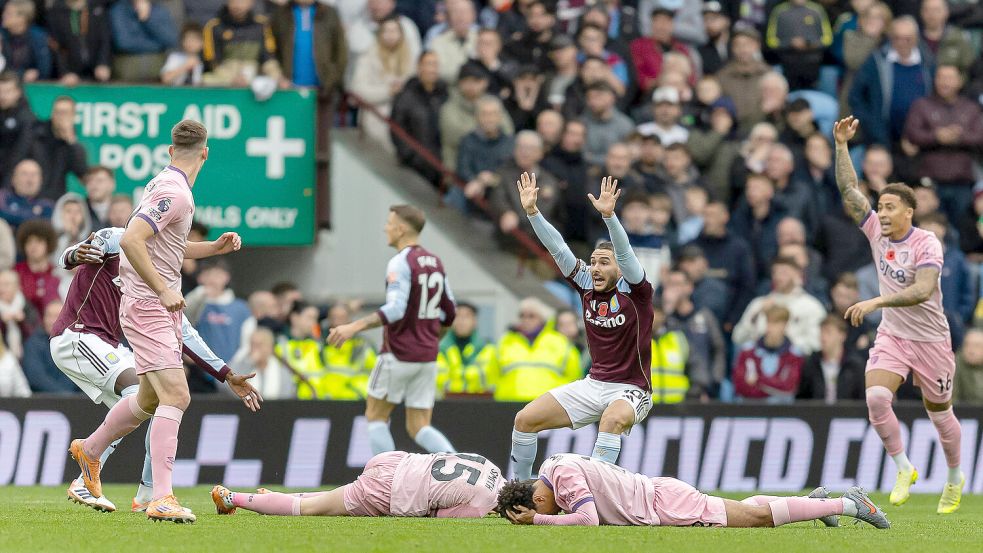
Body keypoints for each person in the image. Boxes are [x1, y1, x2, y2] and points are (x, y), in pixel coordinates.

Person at [68, 120, 244, 523]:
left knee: (149, 399)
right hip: (149, 305)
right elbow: (131, 239)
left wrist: (212, 249)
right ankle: (160, 496)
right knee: (177, 396)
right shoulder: (174, 192)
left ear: (170, 150)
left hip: (148, 305)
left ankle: (90, 450)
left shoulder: (165, 184)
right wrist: (164, 290)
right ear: (206, 152)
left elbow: (166, 245)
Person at [54, 225, 258, 512]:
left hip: (108, 345)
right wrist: (75, 253)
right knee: (142, 393)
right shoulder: (117, 237)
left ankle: (147, 494)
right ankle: (89, 473)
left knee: (153, 401)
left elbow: (185, 333)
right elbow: (68, 256)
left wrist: (226, 373)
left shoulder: (162, 278)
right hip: (77, 336)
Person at [833, 115, 964, 514]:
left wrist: (874, 302)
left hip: (931, 341)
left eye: (891, 207)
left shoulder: (928, 243)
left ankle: (955, 477)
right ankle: (904, 467)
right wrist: (841, 146)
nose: (882, 213)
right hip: (894, 336)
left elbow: (923, 291)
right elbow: (850, 190)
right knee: (875, 398)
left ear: (910, 211)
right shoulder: (876, 232)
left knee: (940, 415)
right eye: (882, 207)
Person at [510, 173, 654, 479]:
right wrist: (533, 213)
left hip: (632, 389)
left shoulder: (636, 291)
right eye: (593, 261)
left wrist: (610, 217)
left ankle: (598, 494)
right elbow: (558, 249)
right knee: (525, 420)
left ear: (620, 269)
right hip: (593, 385)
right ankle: (518, 491)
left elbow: (626, 253)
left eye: (604, 262)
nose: (596, 268)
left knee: (612, 421)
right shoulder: (586, 284)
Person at [328, 205, 457, 457]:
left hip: (398, 353)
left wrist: (354, 326)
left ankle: (387, 478)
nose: (385, 228)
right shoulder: (436, 262)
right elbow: (450, 311)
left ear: (400, 229)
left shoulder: (400, 261)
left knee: (375, 416)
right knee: (419, 426)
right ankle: (460, 468)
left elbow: (396, 309)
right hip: (427, 357)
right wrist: (431, 339)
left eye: (389, 223)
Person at [498, 453, 889, 529]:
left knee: (755, 519)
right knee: (744, 508)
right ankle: (814, 503)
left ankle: (849, 503)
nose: (552, 510)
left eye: (535, 509)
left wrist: (538, 521)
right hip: (660, 495)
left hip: (664, 504)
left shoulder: (561, 475)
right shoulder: (555, 467)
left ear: (534, 498)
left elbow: (588, 519)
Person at [212, 451, 503, 518]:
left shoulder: (491, 464)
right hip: (393, 488)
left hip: (395, 460)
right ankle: (233, 498)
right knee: (313, 509)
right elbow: (437, 515)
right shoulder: (482, 506)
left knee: (334, 497)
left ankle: (274, 496)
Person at [902, 65, 983, 225]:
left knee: (961, 227)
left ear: (960, 81)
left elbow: (979, 136)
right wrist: (936, 136)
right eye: (940, 77)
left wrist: (957, 136)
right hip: (929, 182)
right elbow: (912, 133)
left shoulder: (971, 108)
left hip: (962, 181)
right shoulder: (922, 105)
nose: (944, 82)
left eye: (950, 78)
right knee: (928, 227)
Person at [732, 256, 827, 354]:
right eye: (775, 272)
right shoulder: (759, 303)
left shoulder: (811, 306)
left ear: (798, 275)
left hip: (796, 362)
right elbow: (737, 338)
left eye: (784, 273)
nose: (778, 277)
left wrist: (785, 346)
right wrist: (755, 316)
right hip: (759, 361)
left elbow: (816, 343)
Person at [493, 297, 581, 402]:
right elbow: (492, 375)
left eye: (531, 316)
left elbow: (575, 380)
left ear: (542, 318)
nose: (526, 320)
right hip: (507, 406)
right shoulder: (505, 342)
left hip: (548, 409)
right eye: (522, 315)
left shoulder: (560, 342)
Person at [348, 15, 416, 147]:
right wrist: (388, 91)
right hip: (375, 117)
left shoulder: (411, 59)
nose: (390, 35)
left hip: (404, 119)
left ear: (401, 34)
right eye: (386, 30)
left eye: (394, 31)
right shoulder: (367, 57)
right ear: (380, 33)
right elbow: (357, 91)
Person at [390, 51, 448, 186]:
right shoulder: (406, 96)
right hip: (415, 165)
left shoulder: (445, 94)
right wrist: (411, 156)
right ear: (419, 67)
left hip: (440, 164)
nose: (432, 69)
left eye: (435, 65)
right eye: (428, 64)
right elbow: (397, 129)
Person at [270, 0, 348, 92]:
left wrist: (332, 78)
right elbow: (272, 49)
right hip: (288, 88)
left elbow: (340, 50)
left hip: (323, 89)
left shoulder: (329, 13)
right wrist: (278, 77)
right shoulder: (281, 14)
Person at [733, 304, 804, 403]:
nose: (770, 328)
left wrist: (758, 380)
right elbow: (740, 386)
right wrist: (772, 387)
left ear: (785, 325)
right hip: (750, 406)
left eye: (776, 323)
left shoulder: (795, 355)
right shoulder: (748, 351)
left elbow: (789, 387)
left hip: (781, 410)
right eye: (768, 322)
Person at [201, 0, 282, 86]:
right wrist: (232, 78)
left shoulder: (262, 25)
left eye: (242, 1)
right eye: (233, 1)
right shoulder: (214, 27)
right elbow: (213, 62)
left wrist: (277, 77)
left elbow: (268, 59)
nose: (237, 6)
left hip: (253, 81)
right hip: (225, 81)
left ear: (251, 2)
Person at [797, 315, 866, 403]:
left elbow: (861, 399)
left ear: (842, 336)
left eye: (828, 332)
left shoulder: (855, 365)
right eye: (821, 332)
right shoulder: (811, 362)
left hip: (846, 414)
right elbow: (802, 398)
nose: (823, 337)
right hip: (817, 414)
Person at [31, 96, 88, 201]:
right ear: (52, 113)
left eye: (65, 113)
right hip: (32, 197)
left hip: (55, 199)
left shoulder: (71, 144)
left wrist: (71, 141)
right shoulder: (36, 135)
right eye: (58, 112)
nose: (61, 117)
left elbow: (82, 174)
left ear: (73, 116)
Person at [108, 0, 178, 82]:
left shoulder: (160, 10)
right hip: (127, 75)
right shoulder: (118, 10)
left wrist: (148, 19)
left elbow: (170, 40)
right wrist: (158, 45)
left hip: (158, 76)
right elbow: (123, 43)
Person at [436, 301, 496, 396]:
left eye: (466, 316)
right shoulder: (439, 349)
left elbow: (486, 377)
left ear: (475, 321)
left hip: (480, 405)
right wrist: (470, 376)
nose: (461, 321)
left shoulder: (487, 348)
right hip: (447, 405)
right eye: (457, 316)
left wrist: (454, 374)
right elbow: (439, 380)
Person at [320, 302, 377, 400]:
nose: (337, 322)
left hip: (355, 401)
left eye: (341, 318)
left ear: (349, 319)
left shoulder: (362, 345)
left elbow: (375, 374)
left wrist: (357, 392)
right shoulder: (320, 345)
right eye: (334, 318)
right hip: (326, 401)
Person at [47, 0, 112, 84]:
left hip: (97, 71)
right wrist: (65, 72)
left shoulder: (97, 7)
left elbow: (105, 39)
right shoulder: (55, 11)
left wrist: (103, 63)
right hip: (71, 74)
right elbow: (56, 46)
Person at [231, 326, 294, 400]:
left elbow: (287, 394)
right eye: (252, 344)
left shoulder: (280, 371)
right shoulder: (243, 363)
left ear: (270, 347)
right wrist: (248, 363)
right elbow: (228, 385)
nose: (255, 349)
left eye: (259, 345)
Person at [14, 219, 61, 317]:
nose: (33, 246)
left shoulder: (57, 273)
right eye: (29, 242)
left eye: (39, 241)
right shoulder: (16, 272)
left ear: (48, 244)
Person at [0, 0, 52, 82]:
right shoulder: (1, 35)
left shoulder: (38, 36)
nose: (3, 15)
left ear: (22, 18)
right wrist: (22, 75)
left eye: (8, 13)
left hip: (33, 86)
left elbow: (44, 69)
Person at [0, 71, 36, 185]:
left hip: (12, 178)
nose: (2, 96)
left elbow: (21, 152)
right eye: (0, 91)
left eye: (7, 91)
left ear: (18, 92)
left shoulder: (27, 117)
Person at [0, 159, 55, 229]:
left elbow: (44, 226)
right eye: (24, 174)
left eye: (34, 174)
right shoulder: (3, 196)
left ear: (41, 181)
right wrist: (33, 215)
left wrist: (12, 216)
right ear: (13, 179)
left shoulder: (47, 204)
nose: (30, 179)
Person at [954, 328, 983, 403]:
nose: (971, 350)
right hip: (965, 412)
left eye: (977, 346)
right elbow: (953, 398)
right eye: (967, 345)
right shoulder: (955, 364)